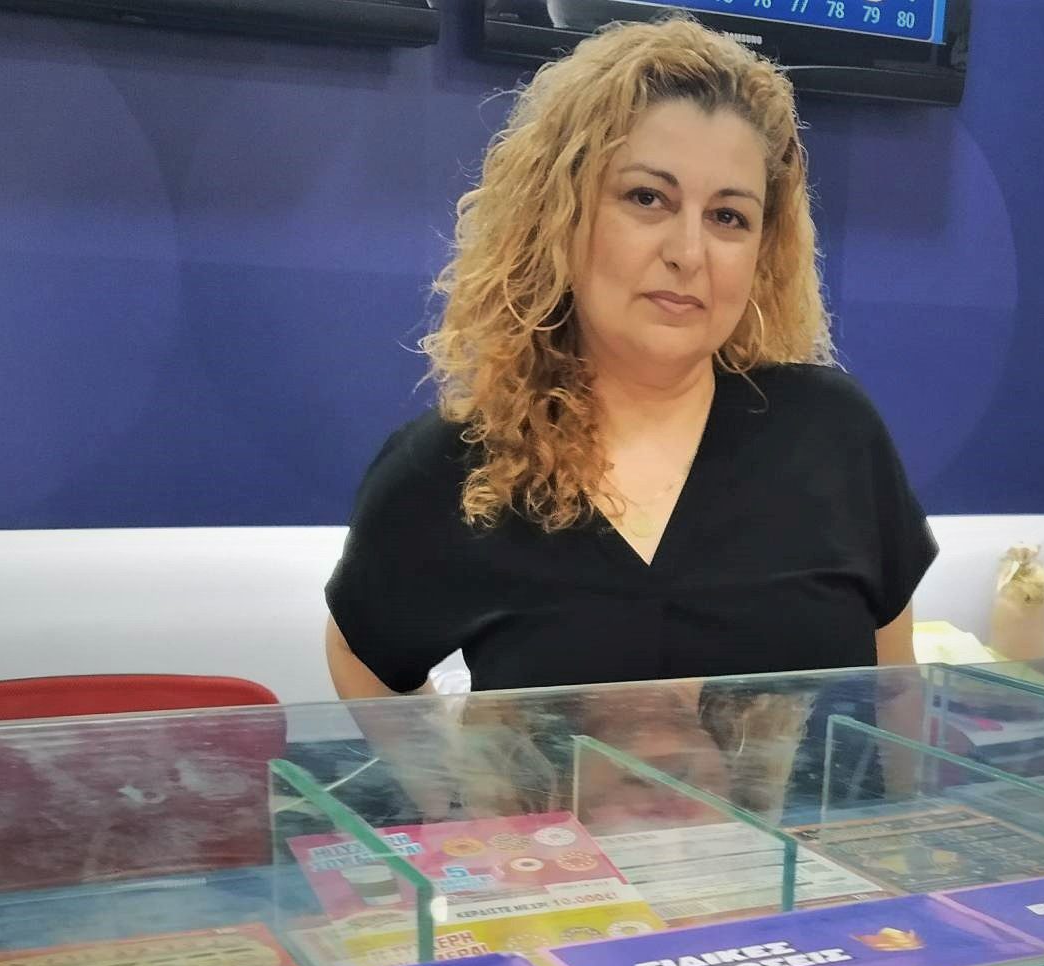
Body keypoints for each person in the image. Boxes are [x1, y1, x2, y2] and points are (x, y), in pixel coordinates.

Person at [325, 15, 936, 701]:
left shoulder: (832, 433)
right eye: (647, 198)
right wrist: (455, 770)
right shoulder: (462, 466)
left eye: (728, 217)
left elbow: (894, 689)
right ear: (560, 212)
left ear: (763, 250)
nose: (688, 252)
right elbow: (359, 652)